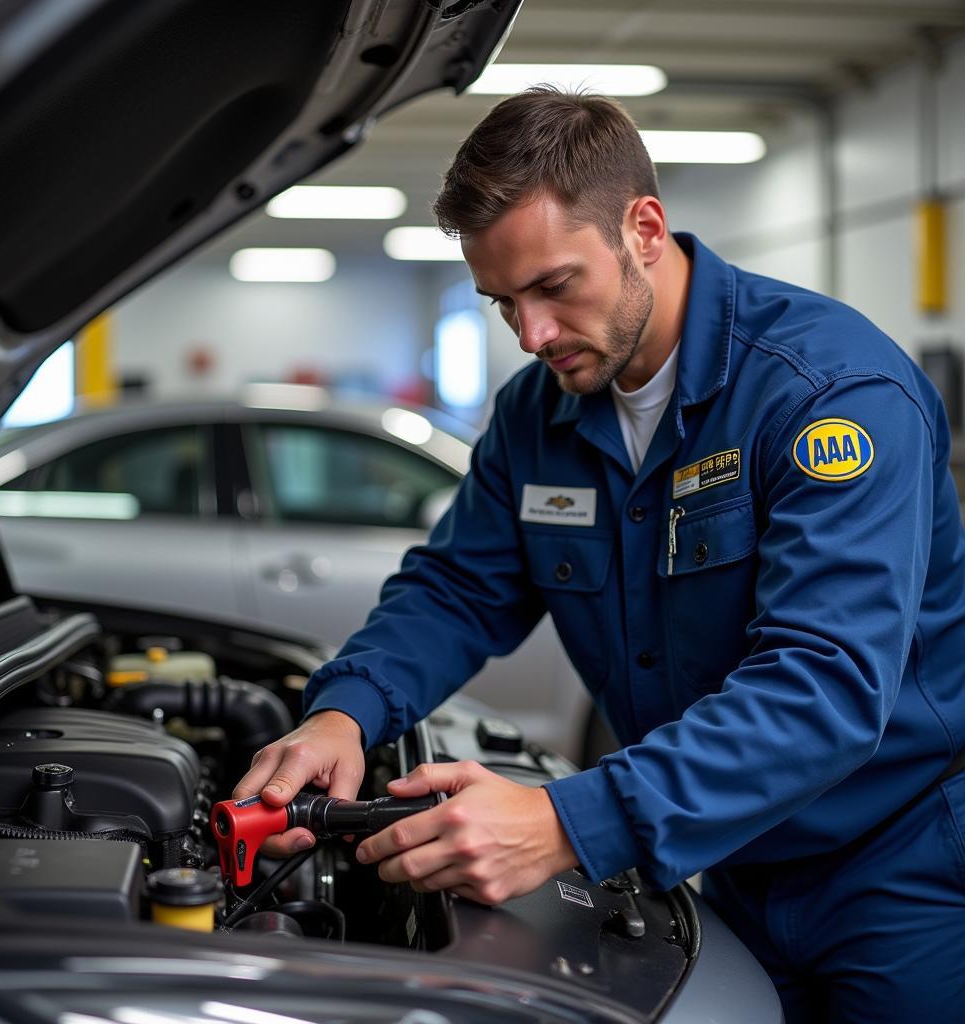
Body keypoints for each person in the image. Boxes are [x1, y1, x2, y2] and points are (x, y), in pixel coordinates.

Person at [235, 88, 965, 1022]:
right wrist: (347, 711)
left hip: (897, 867)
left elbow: (824, 684)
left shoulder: (830, 397)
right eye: (503, 303)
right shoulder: (539, 415)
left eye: (554, 286)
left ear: (645, 229)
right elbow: (461, 588)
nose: (532, 336)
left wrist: (564, 823)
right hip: (727, 857)